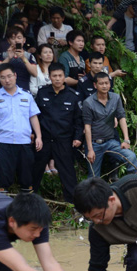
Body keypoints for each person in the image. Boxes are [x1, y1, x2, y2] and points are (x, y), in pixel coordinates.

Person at [0, 66, 42, 193]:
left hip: (24, 141)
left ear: (15, 75)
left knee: (26, 177)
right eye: (3, 77)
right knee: (3, 177)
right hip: (4, 142)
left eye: (9, 76)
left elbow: (33, 117)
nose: (7, 80)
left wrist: (38, 136)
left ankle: (26, 206)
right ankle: (1, 205)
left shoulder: (27, 95)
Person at [33, 63, 83, 202]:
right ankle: (30, 199)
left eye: (60, 76)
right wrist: (34, 134)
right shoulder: (42, 93)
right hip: (44, 139)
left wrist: (78, 137)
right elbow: (35, 116)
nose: (57, 79)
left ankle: (72, 203)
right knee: (35, 169)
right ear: (49, 77)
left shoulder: (73, 95)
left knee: (67, 172)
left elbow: (78, 120)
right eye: (54, 76)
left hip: (64, 140)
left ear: (64, 77)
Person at [82, 72, 137, 178]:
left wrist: (126, 140)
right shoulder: (88, 103)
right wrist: (90, 149)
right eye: (101, 83)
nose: (104, 86)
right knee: (94, 176)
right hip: (95, 144)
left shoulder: (115, 98)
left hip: (111, 141)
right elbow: (87, 126)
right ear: (95, 85)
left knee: (130, 156)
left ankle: (134, 183)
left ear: (110, 84)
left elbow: (121, 117)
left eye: (107, 83)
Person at [0, 26, 38, 92]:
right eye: (13, 38)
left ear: (24, 40)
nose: (16, 40)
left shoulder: (29, 56)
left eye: (19, 38)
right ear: (8, 41)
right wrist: (8, 58)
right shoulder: (3, 55)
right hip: (5, 90)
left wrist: (23, 58)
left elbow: (34, 73)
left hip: (23, 90)